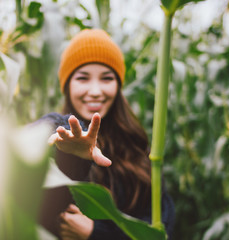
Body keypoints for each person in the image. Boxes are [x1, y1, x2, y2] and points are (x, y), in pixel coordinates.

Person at [36, 29, 175, 240]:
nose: (95, 90)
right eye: (83, 78)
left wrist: (95, 234)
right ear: (67, 85)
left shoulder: (141, 153)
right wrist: (69, 151)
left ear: (118, 86)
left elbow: (161, 228)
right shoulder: (57, 140)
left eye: (106, 78)